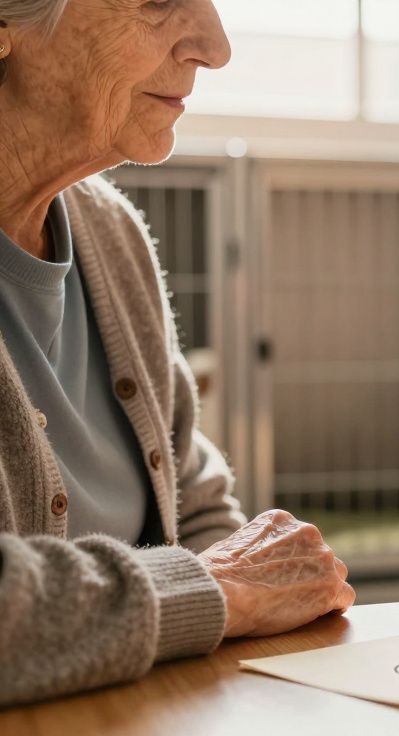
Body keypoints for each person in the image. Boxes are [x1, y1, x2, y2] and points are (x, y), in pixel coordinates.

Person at [0, 0, 353, 706]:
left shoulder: (110, 231)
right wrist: (216, 589)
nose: (215, 47)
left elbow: (193, 499)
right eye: (158, 0)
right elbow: (218, 577)